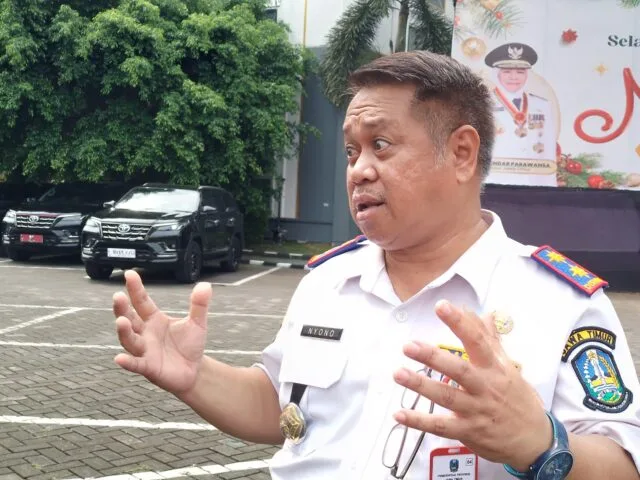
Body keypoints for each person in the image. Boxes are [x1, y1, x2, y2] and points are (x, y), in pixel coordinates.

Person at [112, 51, 640, 479]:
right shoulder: (328, 281)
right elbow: (280, 404)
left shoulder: (560, 302)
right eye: (351, 151)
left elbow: (623, 465)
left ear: (461, 153)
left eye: (380, 145)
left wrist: (542, 443)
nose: (358, 170)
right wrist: (194, 376)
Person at [483, 42, 558, 187]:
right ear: (497, 74)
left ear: (527, 75)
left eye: (520, 72)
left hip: (532, 184)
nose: (514, 77)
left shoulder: (542, 105)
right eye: (507, 72)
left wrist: (550, 186)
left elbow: (548, 149)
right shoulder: (483, 103)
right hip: (493, 182)